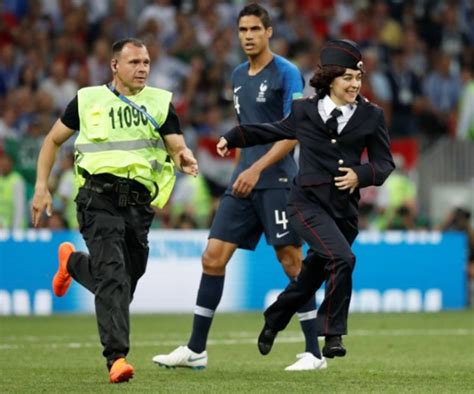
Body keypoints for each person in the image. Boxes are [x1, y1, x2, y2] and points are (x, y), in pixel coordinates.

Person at [153, 3, 321, 371]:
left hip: (276, 180)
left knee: (291, 261)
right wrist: (235, 141)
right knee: (212, 257)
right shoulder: (237, 75)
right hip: (243, 179)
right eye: (242, 30)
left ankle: (314, 353)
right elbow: (253, 127)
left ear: (269, 32)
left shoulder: (287, 73)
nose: (248, 36)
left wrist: (258, 167)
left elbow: (294, 132)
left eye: (255, 30)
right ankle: (196, 349)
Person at [30, 38, 198, 383]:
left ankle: (74, 264)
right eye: (134, 62)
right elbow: (52, 140)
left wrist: (183, 155)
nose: (142, 69)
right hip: (97, 198)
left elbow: (176, 142)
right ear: (114, 66)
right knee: (113, 277)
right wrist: (41, 186)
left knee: (124, 284)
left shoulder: (160, 102)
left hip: (138, 207)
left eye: (147, 62)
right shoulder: (88, 99)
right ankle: (116, 359)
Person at [216, 39, 395, 362]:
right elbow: (272, 130)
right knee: (343, 259)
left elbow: (384, 163)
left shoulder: (372, 115)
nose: (355, 84)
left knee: (311, 276)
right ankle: (333, 333)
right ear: (329, 79)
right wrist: (232, 137)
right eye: (348, 78)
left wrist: (361, 174)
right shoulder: (303, 110)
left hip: (344, 212)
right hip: (305, 204)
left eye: (358, 78)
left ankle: (274, 317)